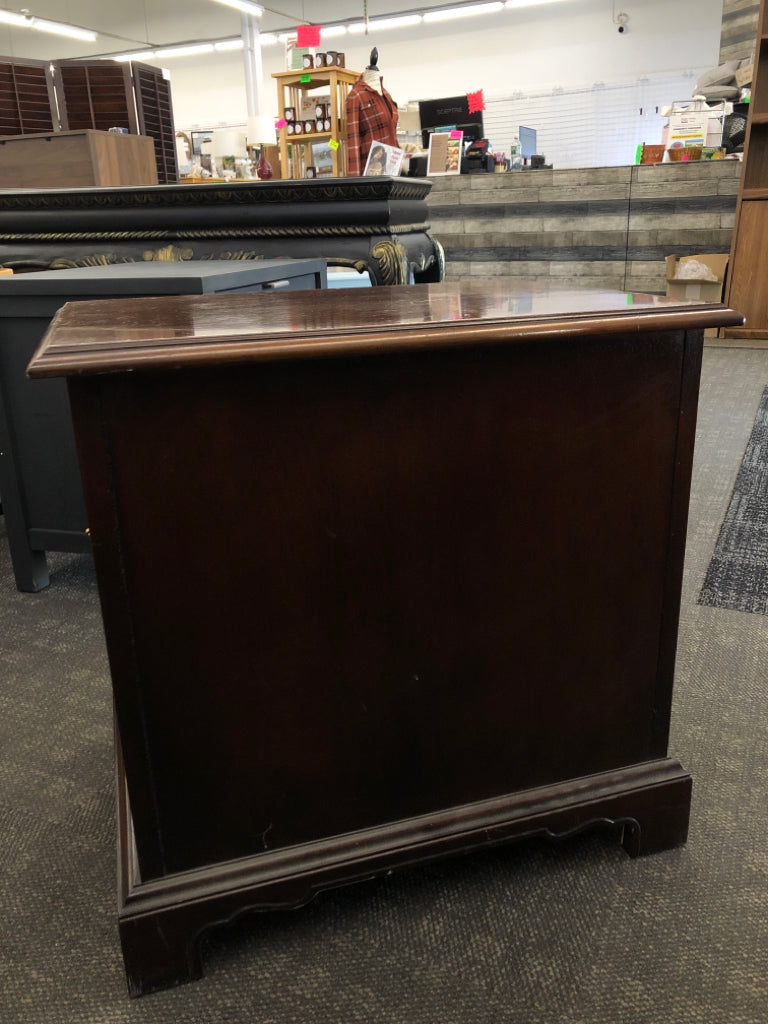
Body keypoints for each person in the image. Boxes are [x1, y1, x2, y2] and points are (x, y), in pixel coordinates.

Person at [345, 48, 399, 176]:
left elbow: (392, 133)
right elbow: (353, 141)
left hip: (391, 168)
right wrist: (355, 180)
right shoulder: (356, 96)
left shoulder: (386, 95)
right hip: (371, 173)